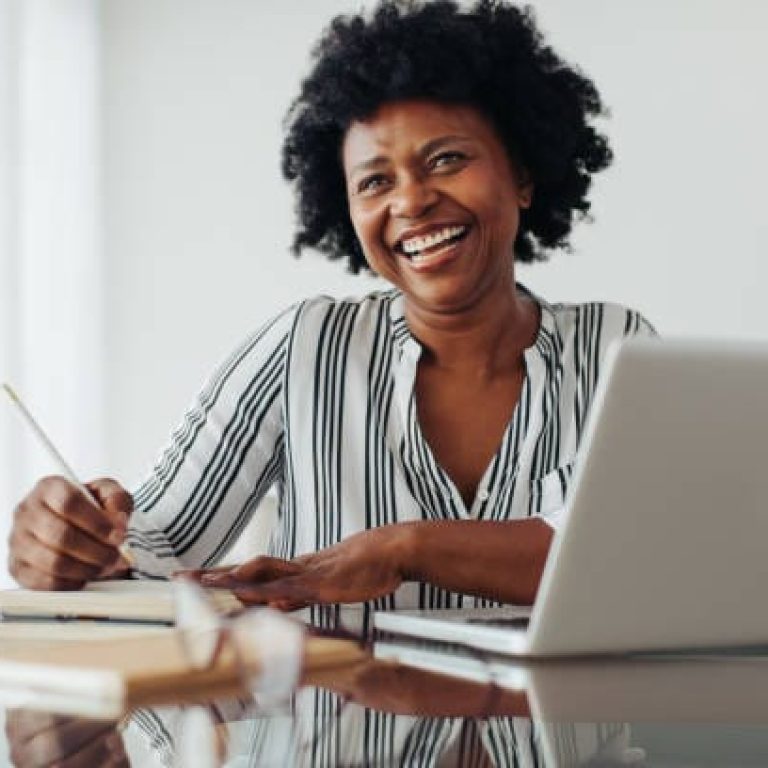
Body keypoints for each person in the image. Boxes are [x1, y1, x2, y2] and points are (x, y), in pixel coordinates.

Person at [7, 0, 653, 613]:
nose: (411, 201)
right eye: (375, 181)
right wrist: (78, 546)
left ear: (523, 175)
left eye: (447, 159)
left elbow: (627, 559)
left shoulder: (616, 348)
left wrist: (401, 551)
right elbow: (158, 546)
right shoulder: (303, 347)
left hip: (554, 727)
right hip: (334, 728)